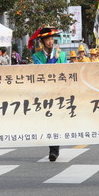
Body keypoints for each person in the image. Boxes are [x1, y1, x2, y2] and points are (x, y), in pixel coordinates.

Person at [28, 27, 66, 161]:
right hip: (44, 94)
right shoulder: (36, 56)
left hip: (59, 93)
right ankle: (53, 148)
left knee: (57, 120)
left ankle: (54, 149)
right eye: (47, 39)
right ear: (42, 42)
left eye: (51, 39)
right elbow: (43, 72)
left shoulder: (62, 55)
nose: (50, 42)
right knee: (48, 120)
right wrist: (53, 60)